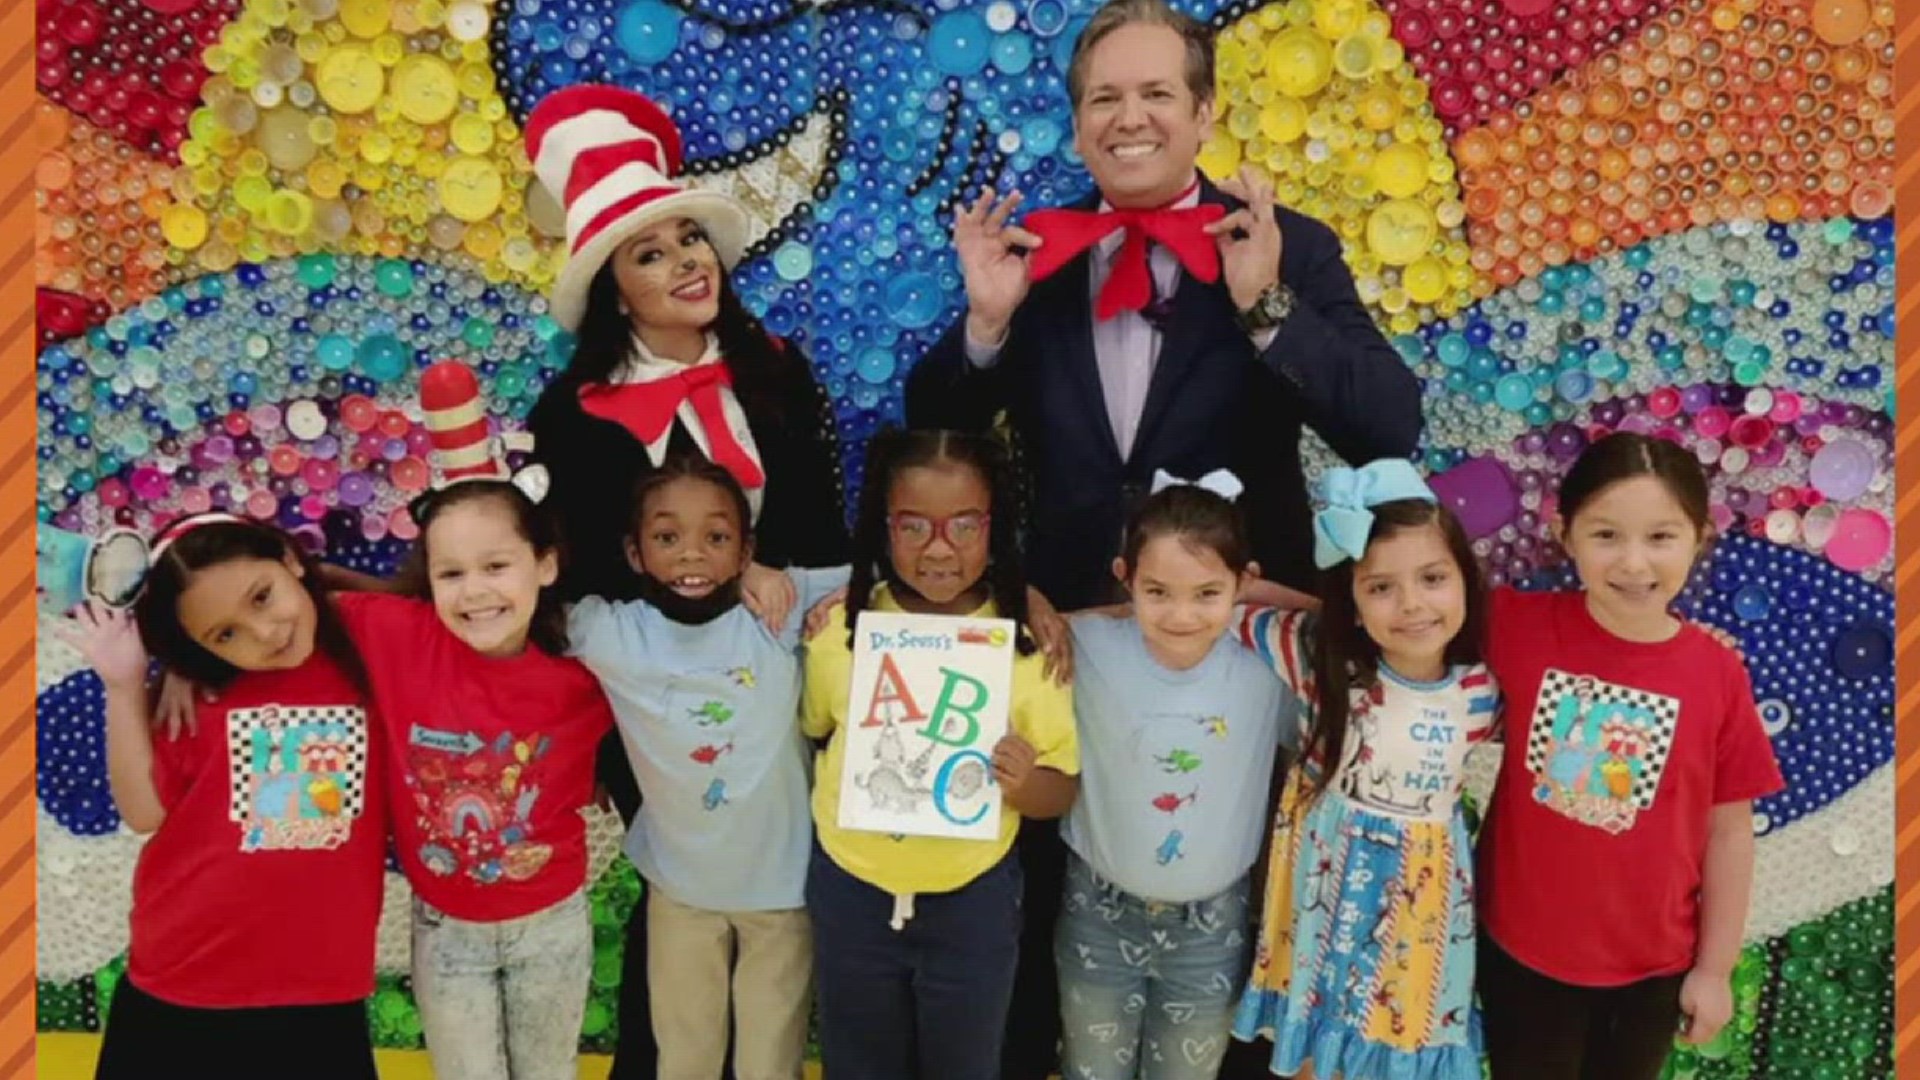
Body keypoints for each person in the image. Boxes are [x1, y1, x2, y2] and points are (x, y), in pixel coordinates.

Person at [906, 5, 1419, 1068]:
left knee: (1218, 896)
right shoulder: (1035, 251)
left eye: (1154, 95)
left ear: (1203, 112)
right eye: (1104, 97)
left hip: (1233, 642)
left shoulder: (1284, 244)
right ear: (1077, 120)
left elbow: (1387, 421)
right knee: (1051, 888)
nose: (1128, 117)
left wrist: (1266, 303)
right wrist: (988, 326)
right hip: (1072, 631)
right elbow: (935, 430)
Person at [521, 85, 848, 1077]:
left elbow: (821, 517)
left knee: (774, 952)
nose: (683, 264)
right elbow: (571, 574)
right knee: (679, 954)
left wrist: (772, 575)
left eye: (688, 241)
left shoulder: (778, 372)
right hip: (655, 713)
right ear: (616, 287)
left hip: (778, 676)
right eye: (650, 253)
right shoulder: (573, 412)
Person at [1475, 433, 1783, 1080]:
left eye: (1661, 537)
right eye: (1607, 535)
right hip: (1521, 955)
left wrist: (1715, 970)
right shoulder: (1514, 624)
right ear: (1565, 534)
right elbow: (1400, 623)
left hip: (1653, 970)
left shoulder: (1718, 673)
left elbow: (1729, 832)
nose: (1634, 563)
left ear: (1700, 537)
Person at [61, 514, 386, 1079]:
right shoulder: (199, 693)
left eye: (261, 597)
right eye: (224, 634)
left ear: (289, 561)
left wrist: (330, 578)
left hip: (320, 992)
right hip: (182, 984)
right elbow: (143, 812)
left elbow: (441, 607)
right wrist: (125, 685)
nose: (264, 634)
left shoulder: (370, 644)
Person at [801, 428, 1079, 1079]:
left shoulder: (1026, 649)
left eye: (963, 526)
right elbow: (817, 729)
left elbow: (1061, 787)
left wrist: (1024, 781)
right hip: (852, 890)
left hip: (972, 900)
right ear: (883, 526)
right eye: (914, 526)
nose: (939, 549)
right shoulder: (839, 635)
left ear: (993, 526)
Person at [567, 456, 848, 1080]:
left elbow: (887, 580)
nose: (692, 554)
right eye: (667, 538)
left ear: (746, 549)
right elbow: (517, 610)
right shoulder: (610, 633)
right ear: (635, 553)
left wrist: (769, 576)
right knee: (685, 1059)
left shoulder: (779, 609)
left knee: (768, 1065)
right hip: (680, 895)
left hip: (782, 895)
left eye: (716, 538)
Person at [336, 477, 613, 1080]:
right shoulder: (398, 635)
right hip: (445, 931)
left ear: (544, 565)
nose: (475, 592)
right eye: (451, 574)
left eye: (495, 565)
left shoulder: (590, 666)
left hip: (551, 927)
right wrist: (184, 666)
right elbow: (286, 601)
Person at [1232, 460, 1496, 1080]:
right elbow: (1230, 598)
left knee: (1393, 1051)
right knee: (1310, 1052)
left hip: (1419, 910)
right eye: (1379, 587)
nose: (1411, 605)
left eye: (1433, 578)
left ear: (1465, 579)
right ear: (1350, 603)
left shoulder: (1484, 693)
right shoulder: (1316, 667)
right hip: (1325, 897)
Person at [1056, 471, 1296, 1080]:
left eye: (1207, 593)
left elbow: (1351, 630)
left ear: (1245, 584)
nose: (1181, 615)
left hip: (1209, 928)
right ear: (1125, 578)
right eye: (1158, 591)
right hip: (1098, 914)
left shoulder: (1269, 661)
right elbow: (1020, 625)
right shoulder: (1087, 645)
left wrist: (1259, 595)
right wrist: (1041, 602)